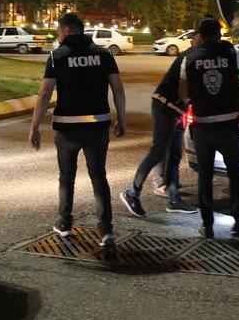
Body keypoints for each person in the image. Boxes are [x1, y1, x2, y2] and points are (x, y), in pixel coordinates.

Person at [29, 13, 126, 247]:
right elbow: (118, 89)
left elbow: (44, 94)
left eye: (59, 31)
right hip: (98, 125)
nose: (58, 35)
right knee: (98, 176)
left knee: (66, 176)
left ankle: (64, 223)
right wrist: (121, 119)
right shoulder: (103, 55)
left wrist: (34, 127)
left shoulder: (57, 56)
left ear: (67, 31)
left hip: (67, 127)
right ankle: (106, 231)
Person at [179, 17, 239, 238]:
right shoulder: (232, 54)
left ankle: (207, 225)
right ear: (219, 34)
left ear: (199, 35)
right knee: (234, 173)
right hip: (228, 126)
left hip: (203, 128)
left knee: (204, 177)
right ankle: (238, 219)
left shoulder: (189, 59)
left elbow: (183, 95)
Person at [119, 33, 204, 217]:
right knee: (158, 151)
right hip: (165, 107)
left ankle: (174, 200)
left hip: (177, 110)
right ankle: (132, 192)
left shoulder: (199, 57)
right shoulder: (190, 57)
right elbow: (183, 89)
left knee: (174, 154)